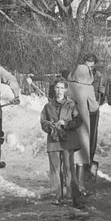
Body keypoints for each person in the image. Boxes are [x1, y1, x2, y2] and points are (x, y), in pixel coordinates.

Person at [40, 78, 83, 206]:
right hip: (53, 141)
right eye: (57, 88)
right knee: (55, 170)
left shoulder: (71, 105)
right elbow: (43, 122)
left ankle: (73, 196)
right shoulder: (48, 106)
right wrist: (50, 126)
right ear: (54, 89)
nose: (59, 91)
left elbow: (78, 121)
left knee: (69, 169)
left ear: (65, 89)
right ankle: (57, 196)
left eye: (61, 88)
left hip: (68, 141)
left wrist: (66, 123)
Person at [66, 58, 98, 196]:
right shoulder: (88, 88)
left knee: (69, 152)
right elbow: (93, 107)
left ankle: (68, 183)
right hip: (82, 123)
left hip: (68, 121)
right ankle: (80, 185)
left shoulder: (68, 85)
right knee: (81, 154)